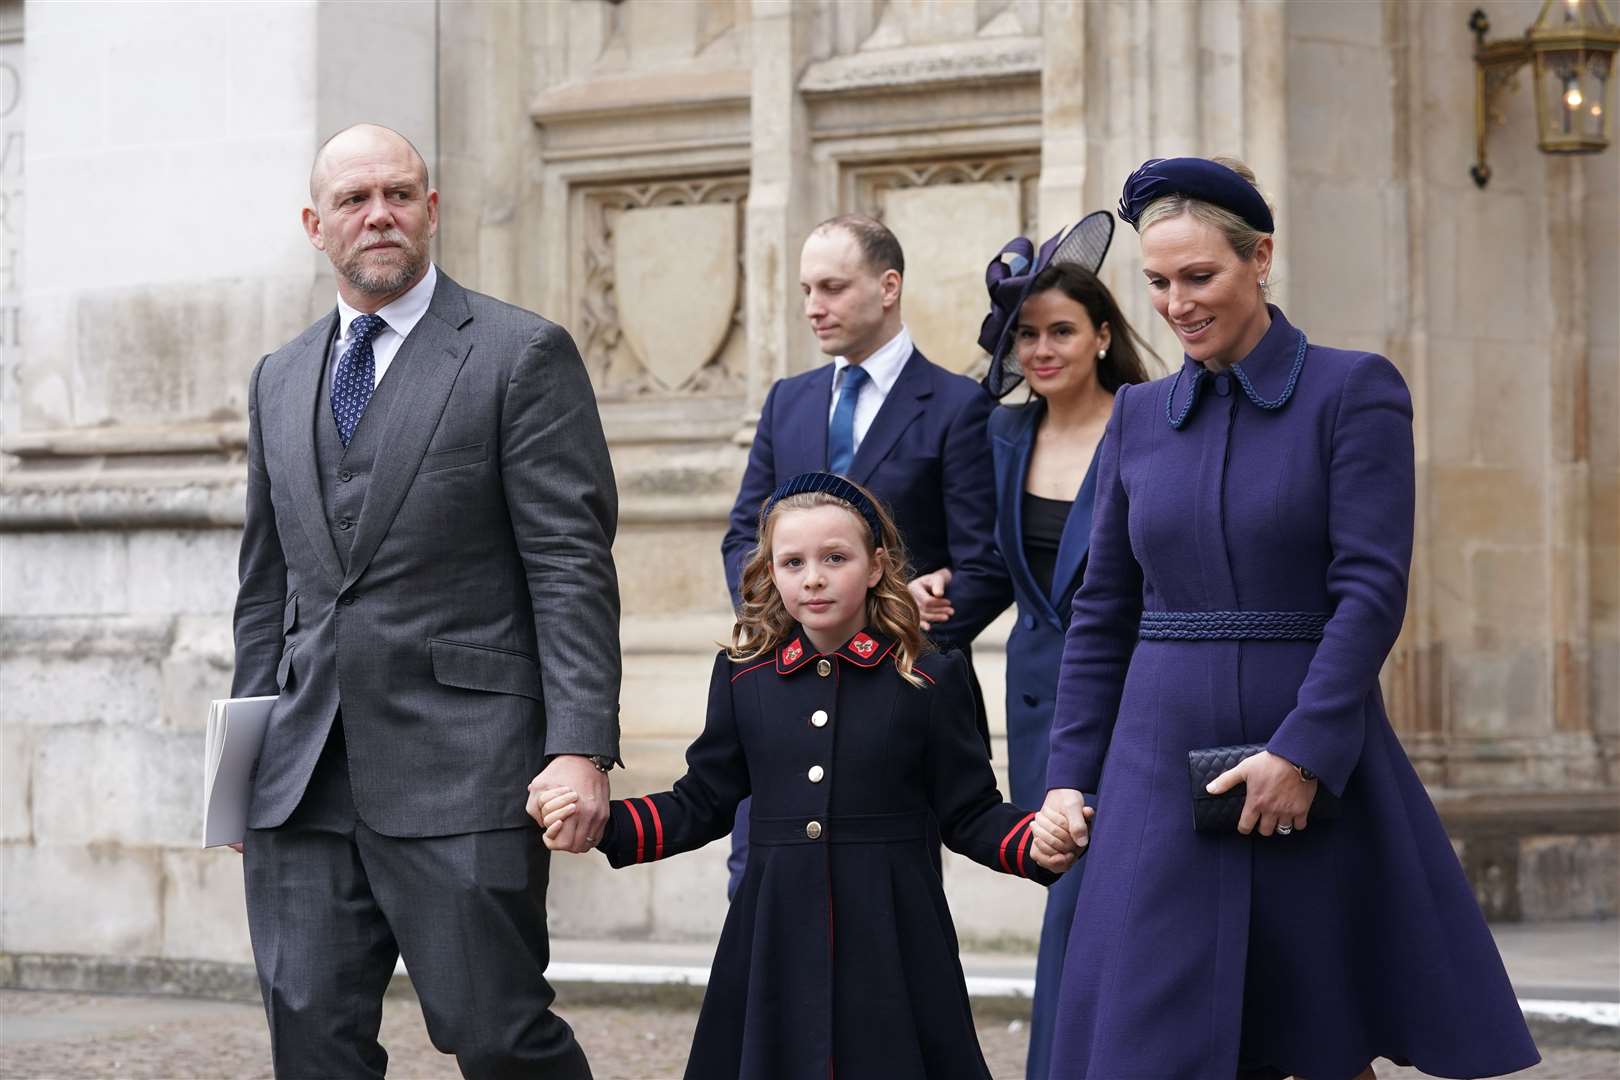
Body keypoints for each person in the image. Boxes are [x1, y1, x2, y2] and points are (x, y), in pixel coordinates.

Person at [1033, 157, 1539, 1080]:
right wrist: (1069, 777)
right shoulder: (1139, 416)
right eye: (1156, 282)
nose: (1177, 303)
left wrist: (1303, 752)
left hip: (1309, 754)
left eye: (1200, 277)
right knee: (1148, 1040)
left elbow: (1371, 591)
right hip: (1152, 766)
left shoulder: (1355, 390)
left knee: (1318, 1036)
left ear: (1259, 258)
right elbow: (1103, 613)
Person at [230, 123, 620, 1078]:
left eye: (400, 194)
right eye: (356, 201)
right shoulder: (278, 378)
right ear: (316, 225)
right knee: (312, 1042)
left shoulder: (521, 353)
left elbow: (570, 565)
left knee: (500, 1037)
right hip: (302, 777)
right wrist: (238, 775)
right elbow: (262, 587)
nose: (380, 216)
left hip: (467, 768)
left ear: (432, 209)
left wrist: (580, 747)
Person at [535, 472, 1083, 1080]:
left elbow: (970, 811)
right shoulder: (745, 678)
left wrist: (1035, 842)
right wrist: (605, 823)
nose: (813, 577)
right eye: (791, 561)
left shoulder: (930, 678)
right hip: (772, 931)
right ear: (771, 573)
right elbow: (704, 799)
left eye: (835, 558)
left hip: (894, 932)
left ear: (876, 567)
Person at [915, 215, 1152, 1080]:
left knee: (1120, 902)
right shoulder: (1002, 431)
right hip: (1041, 699)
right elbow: (989, 569)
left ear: (1100, 335)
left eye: (1061, 330)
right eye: (1027, 333)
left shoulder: (1151, 420)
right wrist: (909, 609)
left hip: (1143, 692)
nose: (1042, 348)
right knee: (1073, 894)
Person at [718, 214, 1007, 894]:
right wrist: (785, 619)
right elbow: (743, 537)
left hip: (897, 698)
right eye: (806, 289)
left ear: (888, 286)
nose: (814, 307)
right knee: (758, 886)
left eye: (833, 287)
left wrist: (891, 625)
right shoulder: (788, 401)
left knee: (885, 898)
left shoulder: (960, 405)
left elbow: (987, 564)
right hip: (783, 684)